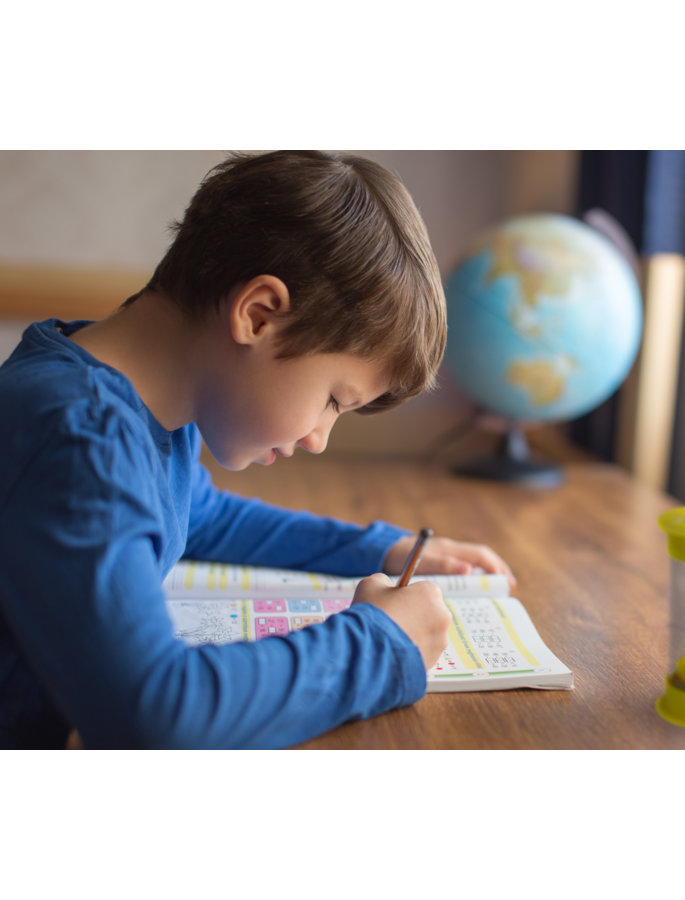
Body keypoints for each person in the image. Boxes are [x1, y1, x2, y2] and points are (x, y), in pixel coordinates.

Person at [0, 150, 515, 750]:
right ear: (260, 314)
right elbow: (155, 718)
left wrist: (380, 549)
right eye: (332, 400)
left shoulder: (138, 405)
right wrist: (379, 644)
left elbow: (201, 516)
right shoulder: (78, 438)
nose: (321, 438)